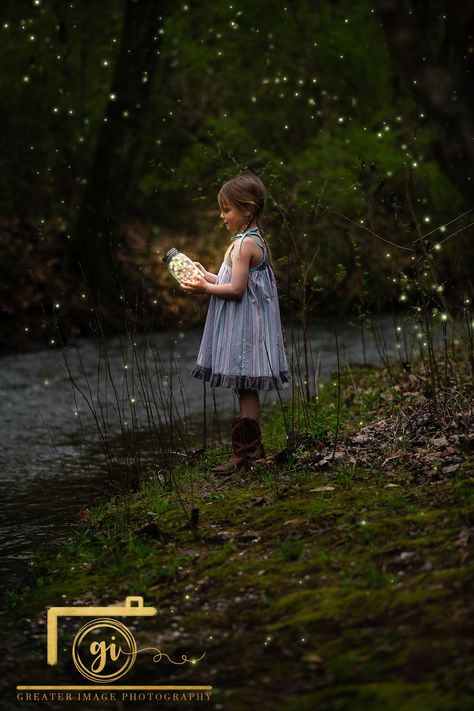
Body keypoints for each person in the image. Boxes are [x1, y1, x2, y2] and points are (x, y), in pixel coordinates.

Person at [181, 172, 291, 474]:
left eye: (227, 209)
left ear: (247, 209)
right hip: (248, 326)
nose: (221, 216)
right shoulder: (251, 241)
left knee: (245, 387)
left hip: (245, 330)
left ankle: (247, 453)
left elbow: (236, 290)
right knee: (245, 388)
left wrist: (205, 290)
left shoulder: (244, 246)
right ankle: (249, 451)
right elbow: (230, 281)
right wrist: (208, 277)